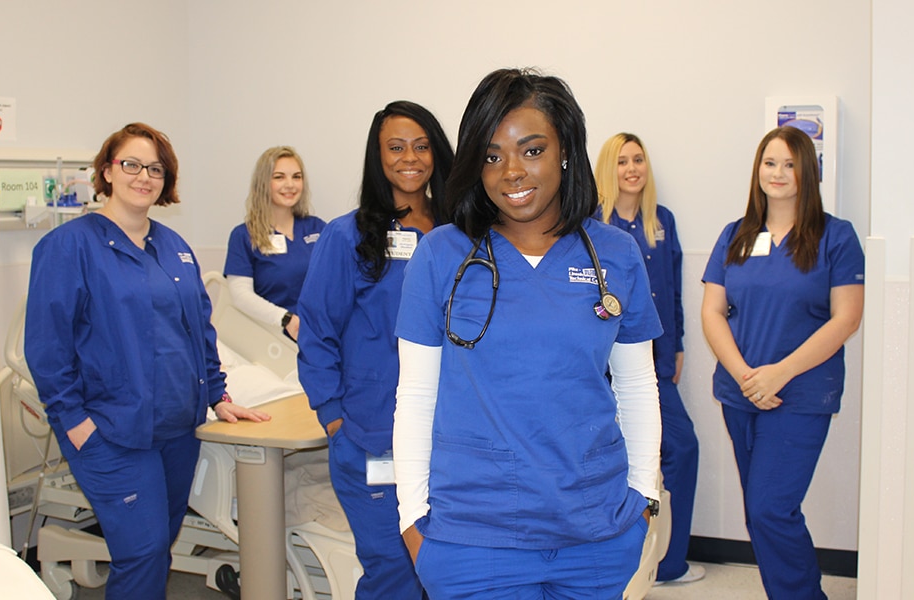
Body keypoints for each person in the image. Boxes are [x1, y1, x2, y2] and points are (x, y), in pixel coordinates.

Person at [393, 68, 664, 598]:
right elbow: (416, 395)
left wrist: (644, 496)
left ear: (565, 151)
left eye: (533, 150)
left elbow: (637, 386)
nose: (512, 172)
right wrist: (412, 519)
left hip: (597, 534)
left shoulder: (615, 254)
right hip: (472, 538)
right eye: (492, 156)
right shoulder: (441, 255)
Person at [25, 123, 269, 599]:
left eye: (155, 168)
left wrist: (218, 396)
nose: (144, 176)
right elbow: (46, 346)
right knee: (143, 551)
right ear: (107, 171)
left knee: (159, 546)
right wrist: (75, 423)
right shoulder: (70, 246)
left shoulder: (174, 248)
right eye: (131, 164)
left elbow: (199, 330)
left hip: (177, 429)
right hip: (111, 431)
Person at [295, 101, 454, 598]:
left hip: (451, 438)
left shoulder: (460, 234)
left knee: (445, 569)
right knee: (395, 573)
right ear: (377, 156)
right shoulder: (349, 236)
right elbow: (316, 331)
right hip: (372, 435)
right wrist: (335, 418)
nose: (411, 157)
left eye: (422, 145)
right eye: (396, 147)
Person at [700, 126, 864, 600]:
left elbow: (846, 319)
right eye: (770, 163)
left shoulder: (836, 237)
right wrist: (745, 376)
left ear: (808, 172)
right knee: (761, 512)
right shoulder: (736, 235)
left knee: (772, 508)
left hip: (801, 395)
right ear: (757, 170)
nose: (778, 173)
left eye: (790, 164)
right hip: (741, 392)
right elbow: (712, 312)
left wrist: (779, 373)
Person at [594, 132, 703, 586]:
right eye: (622, 161)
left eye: (638, 159)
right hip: (605, 367)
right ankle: (620, 557)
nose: (632, 169)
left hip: (656, 364)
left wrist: (676, 346)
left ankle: (668, 563)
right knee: (612, 458)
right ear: (608, 169)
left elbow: (671, 290)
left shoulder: (663, 222)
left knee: (682, 448)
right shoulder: (593, 227)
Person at [223, 146, 325, 341]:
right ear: (263, 183)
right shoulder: (244, 235)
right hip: (272, 338)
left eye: (296, 177)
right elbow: (240, 295)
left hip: (318, 333)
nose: (290, 184)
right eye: (279, 177)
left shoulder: (317, 228)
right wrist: (286, 319)